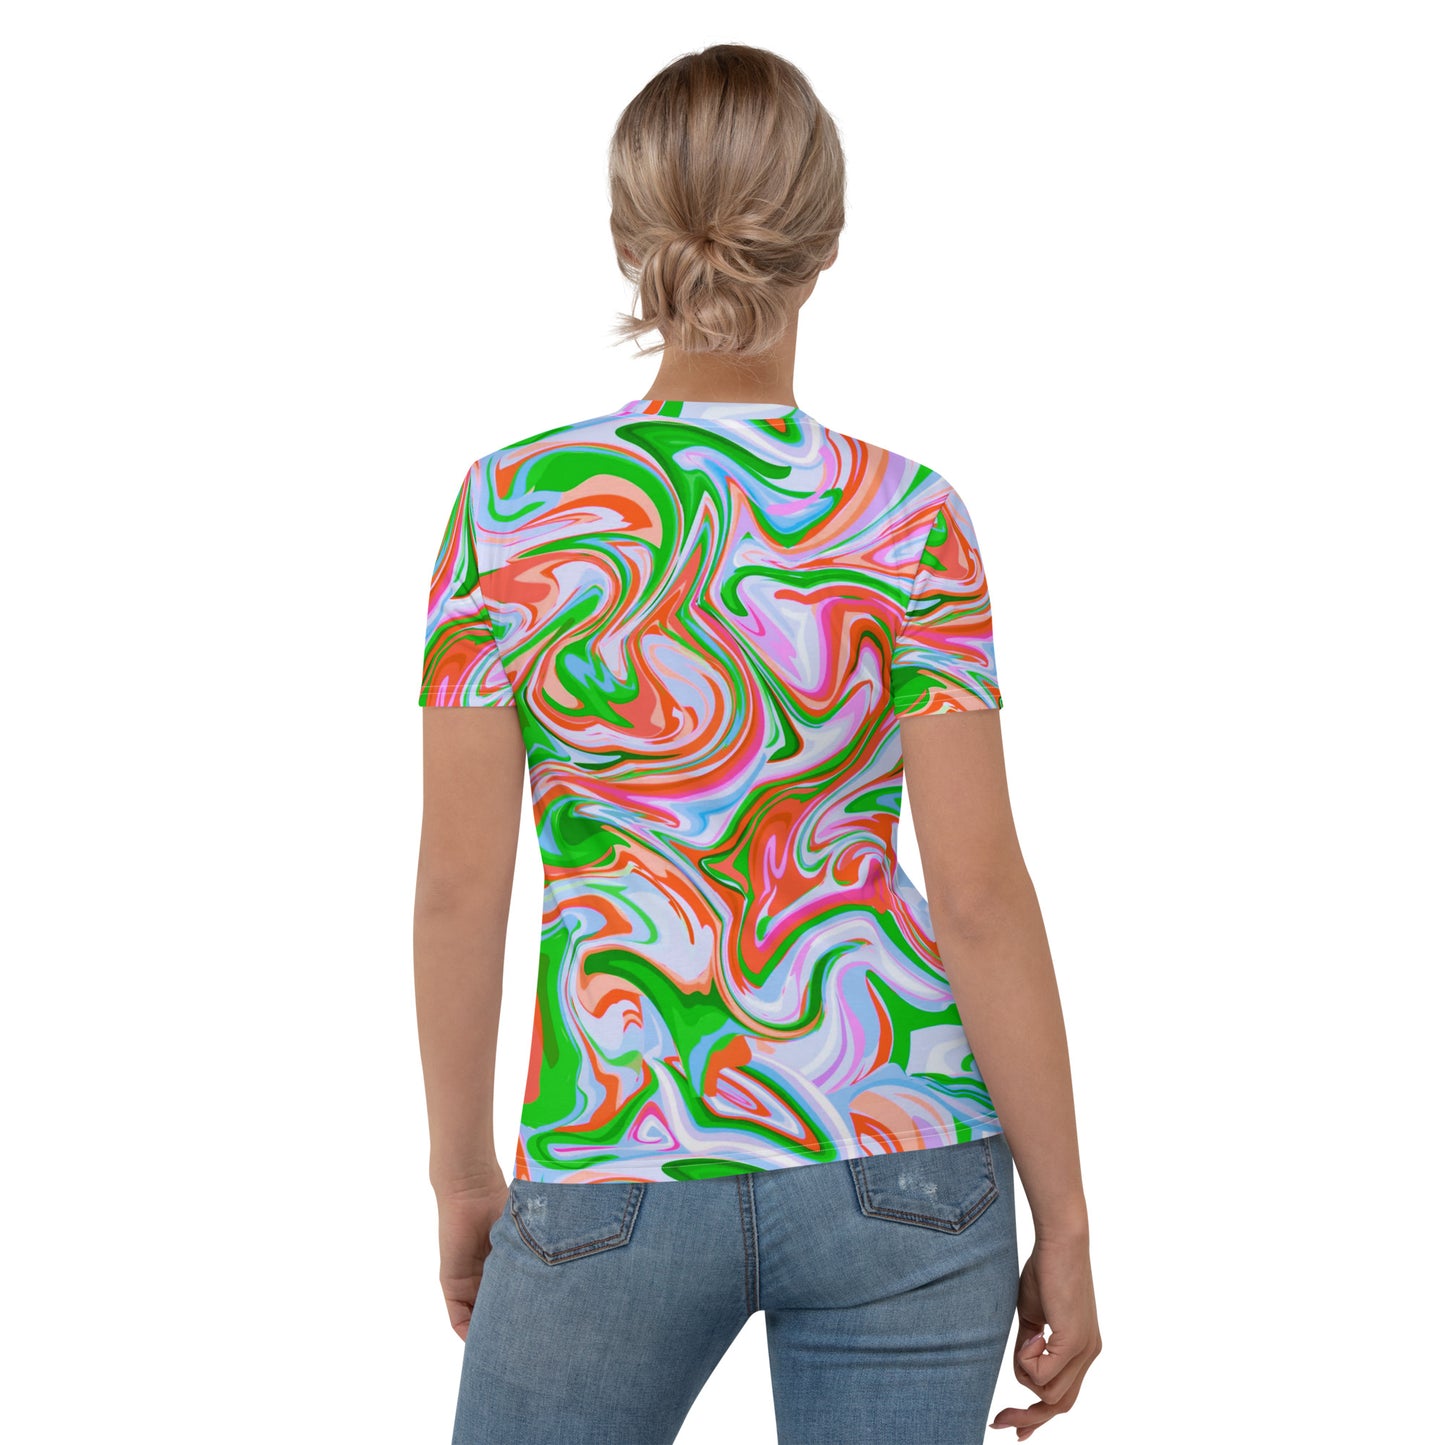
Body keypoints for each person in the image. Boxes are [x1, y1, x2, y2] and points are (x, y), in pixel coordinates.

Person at [413, 42, 1100, 1445]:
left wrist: (463, 1176)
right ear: (825, 241)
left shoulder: (512, 510)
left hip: (612, 1148)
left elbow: (459, 890)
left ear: (630, 239)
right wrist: (1068, 1216)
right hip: (906, 1155)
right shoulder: (906, 516)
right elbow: (976, 895)